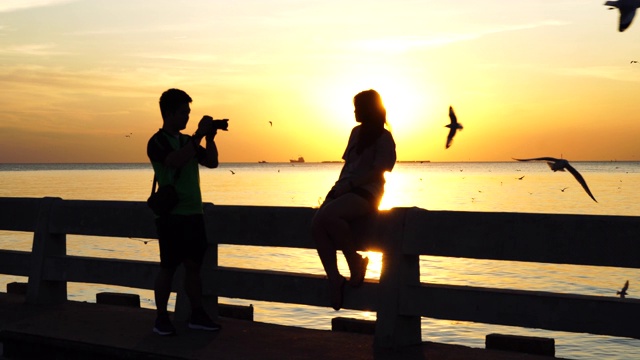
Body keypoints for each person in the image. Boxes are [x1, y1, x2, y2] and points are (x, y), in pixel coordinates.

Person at [147, 88, 225, 335]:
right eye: (183, 112)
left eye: (189, 113)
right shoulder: (157, 141)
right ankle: (161, 317)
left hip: (194, 214)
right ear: (168, 113)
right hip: (171, 216)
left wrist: (209, 138)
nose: (187, 118)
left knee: (193, 267)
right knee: (168, 268)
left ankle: (197, 315)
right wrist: (198, 135)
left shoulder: (186, 141)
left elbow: (211, 162)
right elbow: (175, 161)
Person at [311, 89, 396, 311]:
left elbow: (378, 172)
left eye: (358, 107)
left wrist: (350, 186)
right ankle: (334, 279)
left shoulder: (384, 137)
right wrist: (337, 188)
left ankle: (354, 261)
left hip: (367, 192)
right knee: (317, 223)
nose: (355, 111)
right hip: (344, 189)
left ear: (368, 109)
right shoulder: (355, 133)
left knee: (329, 216)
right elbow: (348, 167)